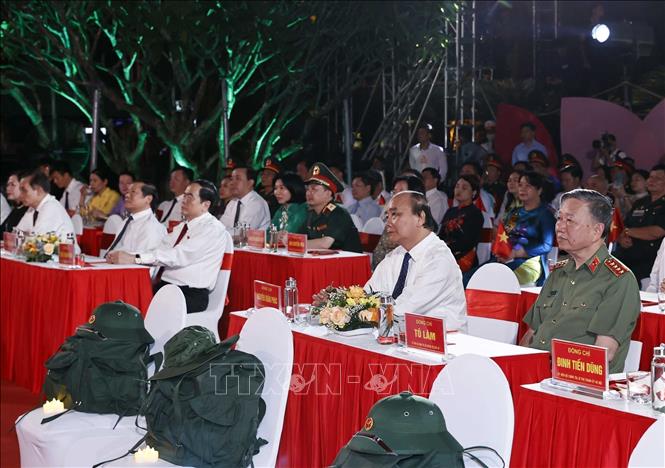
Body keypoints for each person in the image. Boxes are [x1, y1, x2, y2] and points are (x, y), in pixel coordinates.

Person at [520, 189, 640, 374]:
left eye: (570, 220)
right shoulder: (558, 272)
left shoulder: (618, 280)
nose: (560, 226)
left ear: (596, 230)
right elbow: (531, 334)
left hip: (575, 384)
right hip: (536, 374)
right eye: (559, 219)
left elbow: (603, 352)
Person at [107, 180, 230, 314]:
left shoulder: (211, 229)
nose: (183, 200)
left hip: (189, 293)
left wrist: (134, 258)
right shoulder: (183, 227)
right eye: (184, 195)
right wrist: (128, 256)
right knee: (123, 298)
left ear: (205, 205)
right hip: (166, 288)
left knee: (135, 306)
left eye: (190, 197)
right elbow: (158, 250)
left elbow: (177, 256)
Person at [365, 190, 468, 332]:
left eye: (395, 215)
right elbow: (369, 294)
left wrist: (360, 314)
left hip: (440, 344)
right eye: (387, 216)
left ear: (420, 217)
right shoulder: (396, 255)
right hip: (401, 337)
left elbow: (403, 310)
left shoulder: (438, 259)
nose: (388, 223)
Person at [497, 171, 555, 285]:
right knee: (472, 276)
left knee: (496, 279)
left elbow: (546, 245)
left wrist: (520, 252)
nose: (522, 189)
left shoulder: (545, 214)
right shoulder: (515, 213)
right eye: (520, 185)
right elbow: (507, 233)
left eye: (528, 186)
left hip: (530, 263)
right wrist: (501, 250)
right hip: (508, 259)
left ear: (539, 190)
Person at [615, 164, 665, 284]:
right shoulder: (640, 203)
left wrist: (628, 232)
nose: (652, 180)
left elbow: (657, 232)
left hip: (649, 265)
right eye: (650, 177)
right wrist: (622, 237)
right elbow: (624, 226)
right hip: (627, 260)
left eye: (658, 178)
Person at [300, 162, 362, 252]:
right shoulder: (311, 214)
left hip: (346, 263)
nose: (308, 193)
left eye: (314, 189)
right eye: (307, 189)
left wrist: (296, 243)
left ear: (328, 193)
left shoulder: (339, 213)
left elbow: (325, 243)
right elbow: (299, 236)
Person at [371, 175, 426, 269]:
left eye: (401, 192)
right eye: (394, 192)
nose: (395, 196)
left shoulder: (419, 222)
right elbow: (379, 251)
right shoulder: (392, 219)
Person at [104, 182, 166, 255]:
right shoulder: (127, 221)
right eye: (127, 192)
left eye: (133, 192)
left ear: (148, 199)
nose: (126, 195)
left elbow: (145, 259)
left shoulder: (152, 226)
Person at [16, 170, 77, 243]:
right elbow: (17, 234)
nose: (20, 195)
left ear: (39, 190)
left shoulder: (51, 207)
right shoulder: (33, 208)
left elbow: (37, 242)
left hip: (65, 254)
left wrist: (25, 236)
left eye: (24, 190)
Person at [439, 175, 484, 273]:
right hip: (445, 255)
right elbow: (441, 234)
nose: (459, 190)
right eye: (457, 186)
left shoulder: (475, 213)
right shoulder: (451, 211)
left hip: (463, 259)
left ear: (474, 192)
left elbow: (467, 242)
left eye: (464, 188)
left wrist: (445, 249)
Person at [221, 166, 271, 230]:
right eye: (231, 179)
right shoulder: (233, 202)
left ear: (250, 183)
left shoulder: (256, 203)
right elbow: (221, 227)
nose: (231, 183)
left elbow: (242, 233)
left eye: (237, 179)